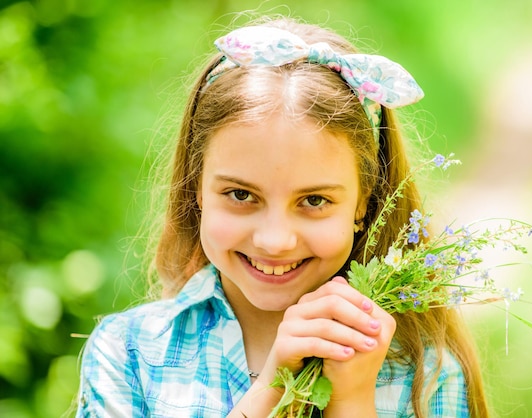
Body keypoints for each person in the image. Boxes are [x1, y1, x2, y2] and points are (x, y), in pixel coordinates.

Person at [76, 16, 489, 417]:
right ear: (196, 188)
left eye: (313, 201)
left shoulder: (426, 376)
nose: (275, 241)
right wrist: (272, 388)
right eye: (241, 194)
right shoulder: (129, 354)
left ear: (364, 201)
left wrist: (350, 402)